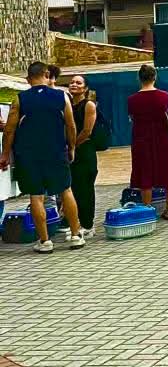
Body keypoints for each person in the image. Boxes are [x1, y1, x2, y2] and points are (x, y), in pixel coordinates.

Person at [0, 61, 86, 253]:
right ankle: (75, 235)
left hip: (29, 155)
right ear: (47, 75)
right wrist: (71, 147)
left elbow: (10, 130)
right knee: (66, 190)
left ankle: (45, 241)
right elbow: (71, 126)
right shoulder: (62, 97)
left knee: (36, 196)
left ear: (28, 79)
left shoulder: (20, 99)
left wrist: (5, 154)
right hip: (56, 151)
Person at [128, 64, 168, 219]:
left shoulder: (132, 100)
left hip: (141, 141)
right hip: (161, 139)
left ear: (139, 79)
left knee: (145, 176)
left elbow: (132, 118)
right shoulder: (164, 96)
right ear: (155, 77)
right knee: (167, 174)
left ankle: (147, 210)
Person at [68, 74, 99, 235]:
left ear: (85, 88)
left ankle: (88, 224)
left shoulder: (89, 106)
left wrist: (72, 145)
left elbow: (87, 131)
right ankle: (75, 221)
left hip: (85, 152)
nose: (74, 85)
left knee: (85, 189)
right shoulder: (66, 105)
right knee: (73, 188)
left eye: (78, 83)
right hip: (71, 153)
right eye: (72, 82)